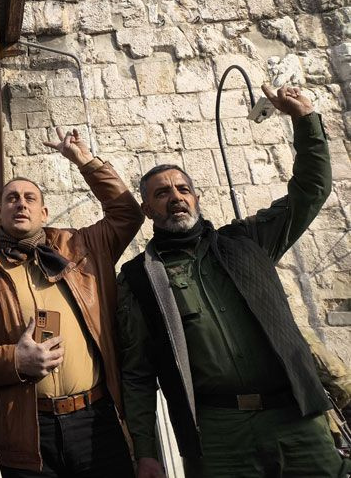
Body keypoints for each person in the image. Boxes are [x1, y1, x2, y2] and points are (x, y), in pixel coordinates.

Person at [117, 84, 348, 478]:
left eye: (183, 189)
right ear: (146, 208)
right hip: (218, 435)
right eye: (162, 193)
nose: (175, 197)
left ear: (196, 196)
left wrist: (305, 119)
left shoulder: (248, 241)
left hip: (296, 418)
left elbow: (310, 191)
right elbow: (137, 374)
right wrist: (146, 451)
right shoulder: (139, 278)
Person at [0, 128, 143, 477]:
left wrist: (85, 162)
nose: (20, 203)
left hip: (96, 419)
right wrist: (15, 359)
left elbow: (127, 215)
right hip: (25, 432)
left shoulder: (83, 247)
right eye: (11, 198)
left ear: (44, 212)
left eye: (29, 198)